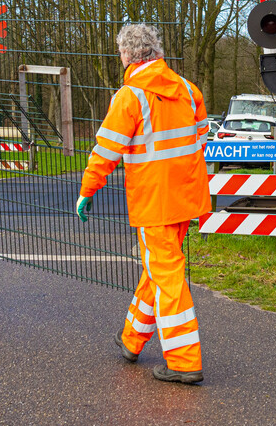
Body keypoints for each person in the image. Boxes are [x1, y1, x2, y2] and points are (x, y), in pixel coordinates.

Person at [77, 24, 210, 384]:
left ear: (126, 55)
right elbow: (199, 136)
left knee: (165, 274)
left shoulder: (129, 96)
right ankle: (132, 339)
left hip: (155, 200)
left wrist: (88, 190)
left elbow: (106, 151)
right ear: (156, 51)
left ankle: (183, 361)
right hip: (186, 195)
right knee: (158, 267)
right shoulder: (186, 89)